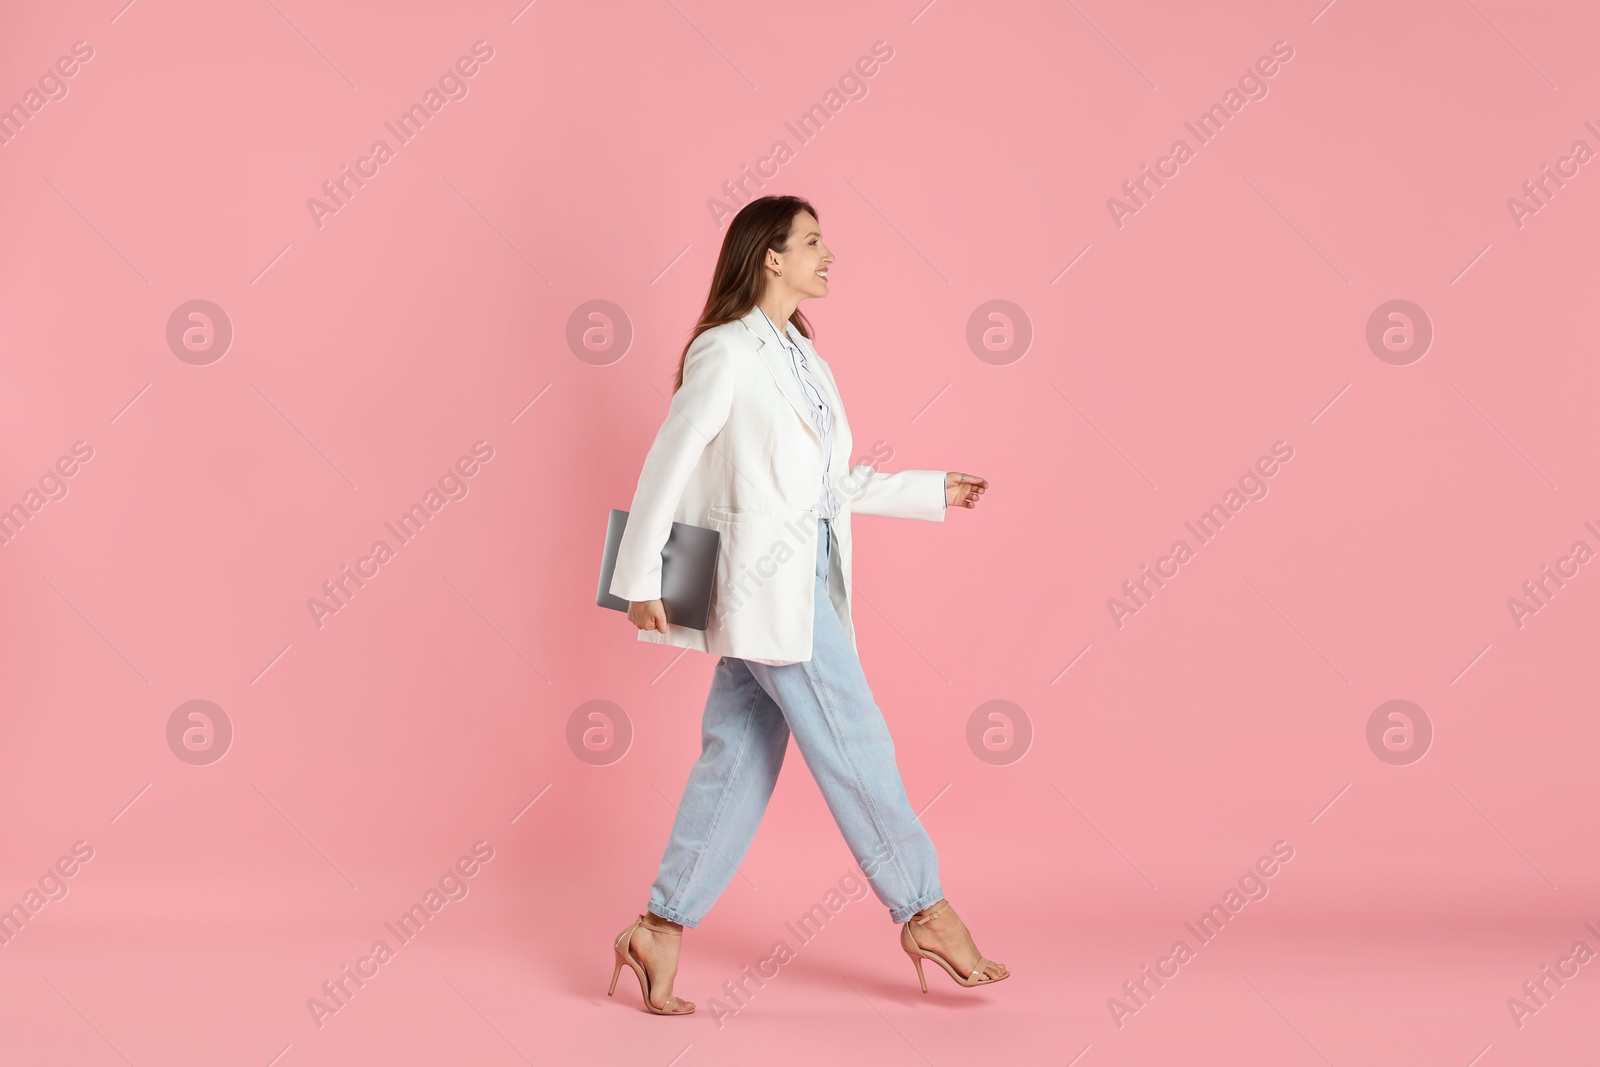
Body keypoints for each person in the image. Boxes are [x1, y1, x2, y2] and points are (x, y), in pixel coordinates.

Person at [604, 194, 1006, 1015]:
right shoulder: (726, 352)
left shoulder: (801, 356)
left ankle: (659, 925)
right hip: (760, 586)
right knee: (853, 736)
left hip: (808, 576)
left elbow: (829, 486)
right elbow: (668, 461)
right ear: (771, 257)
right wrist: (639, 578)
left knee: (739, 755)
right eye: (814, 243)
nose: (830, 257)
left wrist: (932, 489)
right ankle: (923, 907)